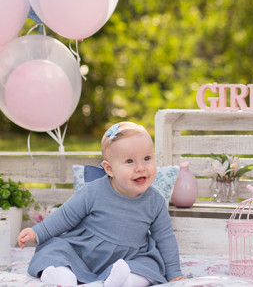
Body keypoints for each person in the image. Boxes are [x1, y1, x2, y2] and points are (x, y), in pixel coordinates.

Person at [18, 122, 185, 286]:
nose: (141, 168)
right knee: (54, 251)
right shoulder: (94, 191)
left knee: (150, 267)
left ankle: (123, 280)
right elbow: (65, 216)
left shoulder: (155, 202)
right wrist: (37, 232)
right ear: (109, 169)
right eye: (129, 161)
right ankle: (62, 275)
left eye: (147, 158)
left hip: (129, 258)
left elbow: (165, 239)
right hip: (84, 252)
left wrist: (174, 273)